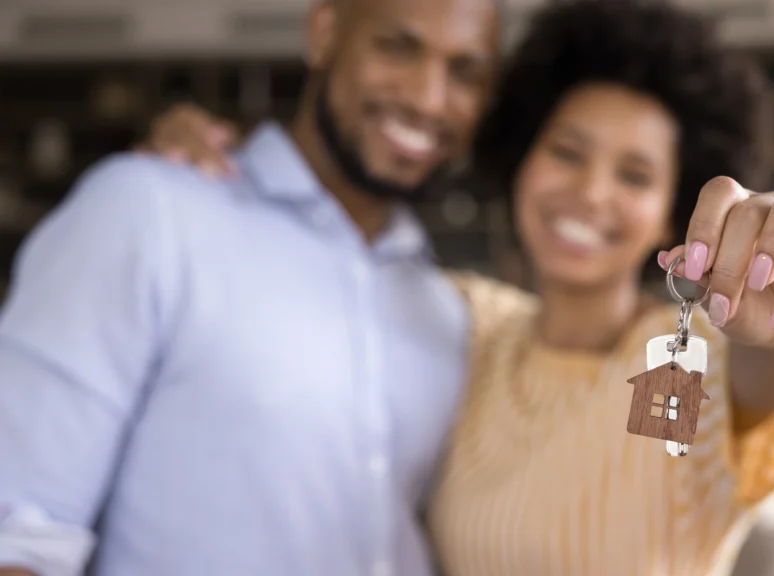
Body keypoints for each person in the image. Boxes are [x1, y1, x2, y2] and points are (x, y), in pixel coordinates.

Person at [137, 1, 774, 574]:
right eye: (566, 153)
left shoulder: (680, 357)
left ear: (671, 208)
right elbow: (314, 274)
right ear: (519, 159)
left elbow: (762, 377)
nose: (589, 193)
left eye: (633, 175)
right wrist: (212, 183)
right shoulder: (469, 326)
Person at [0, 0, 501, 575]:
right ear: (324, 33)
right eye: (397, 48)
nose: (427, 99)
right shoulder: (150, 213)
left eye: (465, 74)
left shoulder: (452, 315)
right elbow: (19, 530)